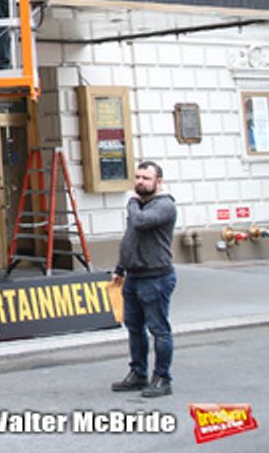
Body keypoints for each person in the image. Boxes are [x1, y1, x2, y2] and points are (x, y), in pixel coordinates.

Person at [110, 161, 177, 398]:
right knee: (134, 328)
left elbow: (139, 222)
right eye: (137, 177)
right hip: (134, 277)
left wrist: (131, 204)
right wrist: (120, 268)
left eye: (146, 178)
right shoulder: (138, 206)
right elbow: (131, 238)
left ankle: (162, 378)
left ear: (158, 182)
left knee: (159, 329)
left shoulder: (164, 205)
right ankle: (138, 373)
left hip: (156, 278)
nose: (140, 182)